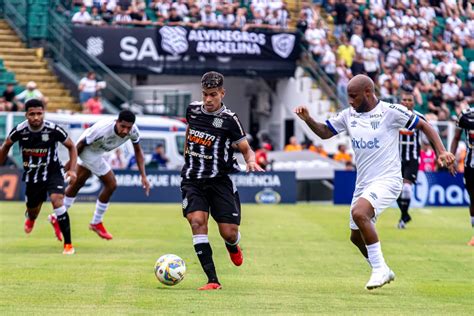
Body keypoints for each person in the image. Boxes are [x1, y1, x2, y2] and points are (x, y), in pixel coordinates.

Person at [294, 74, 454, 290]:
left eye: (353, 96)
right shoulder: (349, 114)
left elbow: (424, 125)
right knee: (355, 237)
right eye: (348, 97)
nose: (350, 101)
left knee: (360, 213)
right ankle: (383, 268)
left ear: (368, 93)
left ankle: (378, 270)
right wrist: (309, 119)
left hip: (388, 178)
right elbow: (325, 132)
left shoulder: (389, 112)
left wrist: (441, 151)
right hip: (364, 182)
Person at [181, 71, 263, 291]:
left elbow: (246, 148)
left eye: (213, 95)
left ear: (222, 93)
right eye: (205, 94)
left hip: (220, 181)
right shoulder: (192, 110)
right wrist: (187, 153)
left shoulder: (229, 120)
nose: (208, 99)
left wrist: (251, 161)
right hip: (193, 179)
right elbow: (189, 130)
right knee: (197, 222)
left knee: (229, 232)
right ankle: (212, 280)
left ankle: (233, 245)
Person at [0, 99, 78, 254]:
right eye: (32, 114)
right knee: (33, 210)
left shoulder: (53, 129)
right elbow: (6, 145)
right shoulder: (20, 131)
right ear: (26, 115)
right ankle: (31, 218)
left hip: (53, 172)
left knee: (57, 201)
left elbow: (72, 146)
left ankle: (68, 245)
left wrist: (73, 170)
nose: (36, 117)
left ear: (43, 113)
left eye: (39, 114)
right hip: (32, 176)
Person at [61, 110, 150, 240]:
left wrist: (143, 176)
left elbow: (138, 151)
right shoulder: (102, 130)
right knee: (111, 184)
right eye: (123, 126)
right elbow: (79, 146)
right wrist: (70, 167)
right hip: (86, 149)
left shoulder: (133, 131)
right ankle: (96, 222)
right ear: (117, 122)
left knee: (78, 183)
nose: (126, 131)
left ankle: (57, 214)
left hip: (98, 152)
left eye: (128, 127)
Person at [396, 89, 427, 229]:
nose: (407, 102)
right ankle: (404, 215)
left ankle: (403, 217)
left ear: (414, 103)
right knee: (395, 190)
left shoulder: (420, 117)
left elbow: (430, 135)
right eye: (404, 100)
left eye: (410, 100)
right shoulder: (393, 116)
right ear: (400, 102)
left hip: (412, 158)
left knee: (407, 189)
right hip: (395, 159)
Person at [449, 107, 474, 246]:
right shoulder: (465, 116)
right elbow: (456, 138)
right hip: (470, 166)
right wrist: (451, 160)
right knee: (473, 199)